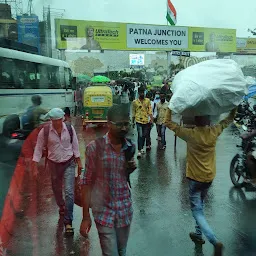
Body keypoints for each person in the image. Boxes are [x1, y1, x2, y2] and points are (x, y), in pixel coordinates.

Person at [164, 107, 237, 256]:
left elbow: (168, 123)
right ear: (208, 120)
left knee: (197, 210)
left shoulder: (190, 134)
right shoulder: (214, 131)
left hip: (194, 179)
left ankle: (214, 240)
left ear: (195, 122)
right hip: (208, 177)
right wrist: (233, 107)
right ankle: (198, 234)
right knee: (201, 205)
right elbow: (228, 120)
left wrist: (171, 108)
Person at [80, 104, 136, 256]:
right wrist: (85, 217)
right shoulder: (95, 148)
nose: (124, 128)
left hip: (124, 210)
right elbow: (86, 183)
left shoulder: (130, 147)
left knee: (121, 251)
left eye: (127, 123)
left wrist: (129, 169)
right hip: (103, 212)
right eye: (120, 124)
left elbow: (122, 177)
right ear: (109, 124)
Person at [32, 108, 82, 235]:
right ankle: (62, 206)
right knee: (56, 189)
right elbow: (38, 148)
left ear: (62, 119)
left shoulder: (69, 129)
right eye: (53, 121)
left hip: (68, 163)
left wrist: (79, 162)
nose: (56, 123)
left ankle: (68, 221)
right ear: (51, 120)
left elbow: (75, 145)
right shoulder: (46, 131)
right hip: (53, 164)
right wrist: (34, 166)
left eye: (58, 120)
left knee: (69, 192)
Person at [132, 87, 153, 158]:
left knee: (144, 135)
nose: (142, 94)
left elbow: (150, 110)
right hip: (138, 121)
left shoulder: (147, 101)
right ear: (138, 93)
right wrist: (132, 122)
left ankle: (141, 148)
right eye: (140, 92)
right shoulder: (135, 102)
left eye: (143, 92)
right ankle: (139, 150)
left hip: (146, 121)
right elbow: (133, 112)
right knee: (140, 135)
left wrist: (151, 119)